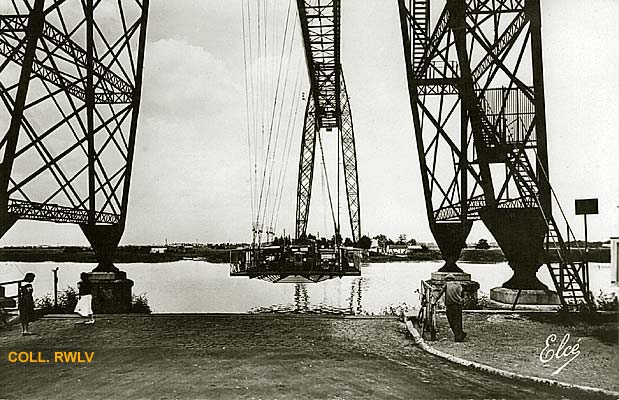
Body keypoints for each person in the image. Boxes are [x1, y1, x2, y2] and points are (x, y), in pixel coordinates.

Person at [442, 274, 467, 342]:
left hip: (450, 306)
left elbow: (440, 293)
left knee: (451, 321)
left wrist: (434, 301)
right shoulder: (459, 285)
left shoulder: (446, 285)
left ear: (447, 280)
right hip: (458, 305)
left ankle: (458, 335)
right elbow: (462, 294)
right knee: (458, 321)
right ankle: (459, 335)